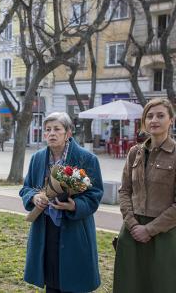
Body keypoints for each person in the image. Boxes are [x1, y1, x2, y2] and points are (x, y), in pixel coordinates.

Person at [19, 112, 103, 292]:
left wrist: (75, 206)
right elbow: (26, 188)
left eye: (57, 129)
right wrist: (34, 197)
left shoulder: (86, 159)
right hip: (45, 227)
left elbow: (95, 194)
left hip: (74, 229)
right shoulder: (37, 158)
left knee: (74, 279)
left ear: (68, 133)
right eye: (47, 130)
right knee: (50, 276)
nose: (51, 133)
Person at [113, 98, 176, 293]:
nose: (154, 120)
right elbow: (124, 191)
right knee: (129, 285)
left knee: (161, 285)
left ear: (171, 120)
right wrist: (133, 225)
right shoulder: (135, 153)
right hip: (132, 232)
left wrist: (149, 230)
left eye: (160, 115)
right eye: (149, 116)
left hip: (165, 236)